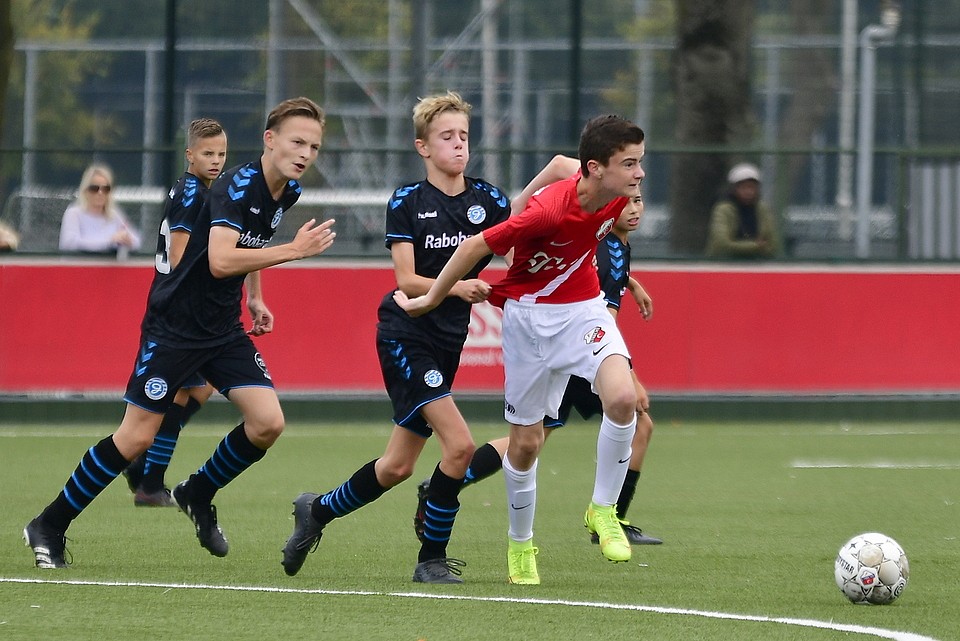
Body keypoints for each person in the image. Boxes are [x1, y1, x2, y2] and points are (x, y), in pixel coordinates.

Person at [23, 97, 336, 569]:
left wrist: (255, 297)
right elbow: (221, 260)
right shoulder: (234, 186)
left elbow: (252, 243)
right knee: (135, 438)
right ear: (270, 140)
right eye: (298, 142)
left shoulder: (285, 190)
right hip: (174, 328)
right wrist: (295, 250)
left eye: (314, 146)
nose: (306, 153)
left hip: (222, 328)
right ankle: (48, 524)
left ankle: (198, 490)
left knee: (268, 422)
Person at [395, 114, 646, 585]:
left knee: (623, 398)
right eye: (630, 164)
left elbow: (561, 163)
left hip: (584, 311)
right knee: (526, 444)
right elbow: (473, 248)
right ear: (597, 169)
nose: (640, 174)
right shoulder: (547, 212)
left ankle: (603, 510)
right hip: (528, 320)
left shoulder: (612, 192)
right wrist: (430, 298)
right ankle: (521, 544)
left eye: (640, 162)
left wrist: (627, 280)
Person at [280, 91, 510, 584]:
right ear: (422, 146)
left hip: (448, 340)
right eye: (446, 137)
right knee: (460, 446)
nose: (458, 144)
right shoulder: (408, 201)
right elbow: (406, 280)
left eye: (464, 136)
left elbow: (521, 248)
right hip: (406, 334)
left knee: (396, 467)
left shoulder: (490, 201)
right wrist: (458, 286)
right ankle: (431, 560)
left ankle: (315, 512)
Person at [121, 118, 228, 507]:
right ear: (189, 155)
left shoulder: (196, 190)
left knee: (202, 387)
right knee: (179, 395)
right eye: (207, 153)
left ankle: (142, 464)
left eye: (221, 154)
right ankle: (150, 482)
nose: (215, 160)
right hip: (180, 310)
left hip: (182, 308)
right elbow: (180, 255)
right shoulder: (192, 194)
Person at [59, 164, 142, 255]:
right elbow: (70, 244)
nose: (100, 193)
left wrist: (127, 240)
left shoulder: (114, 215)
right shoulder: (74, 213)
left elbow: (136, 241)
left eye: (106, 189)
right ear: (85, 190)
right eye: (94, 189)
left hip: (109, 264)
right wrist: (108, 242)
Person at [705, 162, 780, 259]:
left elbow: (773, 244)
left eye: (752, 187)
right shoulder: (723, 209)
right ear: (733, 188)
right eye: (744, 187)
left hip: (757, 263)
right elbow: (722, 243)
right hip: (723, 263)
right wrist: (755, 246)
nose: (749, 192)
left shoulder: (762, 209)